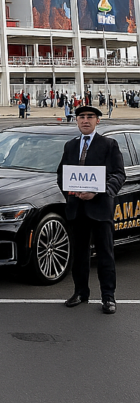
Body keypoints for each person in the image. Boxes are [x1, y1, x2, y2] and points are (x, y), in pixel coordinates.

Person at [56, 105, 126, 314]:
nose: (85, 120)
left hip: (100, 208)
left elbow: (119, 175)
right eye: (81, 117)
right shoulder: (70, 146)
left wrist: (99, 191)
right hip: (77, 208)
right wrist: (72, 192)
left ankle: (108, 297)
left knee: (105, 254)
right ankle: (80, 292)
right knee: (79, 254)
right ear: (76, 121)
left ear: (97, 121)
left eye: (90, 117)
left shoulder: (108, 145)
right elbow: (62, 175)